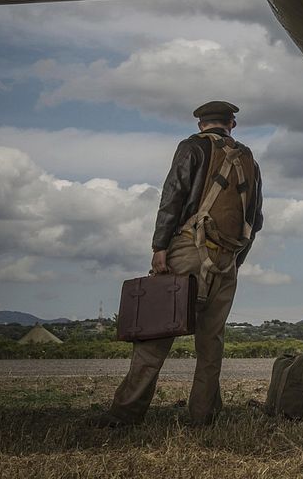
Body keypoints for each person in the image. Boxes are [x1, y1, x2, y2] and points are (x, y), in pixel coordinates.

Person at [99, 100, 263, 427]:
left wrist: (160, 246)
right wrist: (236, 260)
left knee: (155, 335)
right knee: (211, 342)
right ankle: (204, 417)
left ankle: (125, 414)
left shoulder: (192, 147)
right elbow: (255, 220)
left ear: (201, 124)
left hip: (189, 249)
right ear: (232, 124)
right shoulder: (249, 160)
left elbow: (172, 196)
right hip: (227, 259)